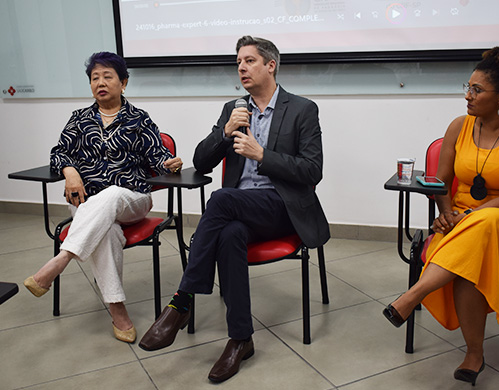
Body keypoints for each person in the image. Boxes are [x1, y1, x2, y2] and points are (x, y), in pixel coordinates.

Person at [139, 36, 330, 383]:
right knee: (229, 234)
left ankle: (182, 301)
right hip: (240, 211)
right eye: (238, 61)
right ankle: (241, 339)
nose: (241, 67)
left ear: (270, 65)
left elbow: (311, 170)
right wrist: (225, 134)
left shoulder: (302, 109)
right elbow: (201, 162)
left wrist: (262, 156)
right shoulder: (233, 109)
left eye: (249, 61)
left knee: (221, 200)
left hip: (281, 207)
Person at [382, 42, 499, 386]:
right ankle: (474, 354)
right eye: (468, 88)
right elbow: (440, 181)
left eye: (476, 90)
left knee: (485, 221)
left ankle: (414, 294)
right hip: (463, 220)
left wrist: (466, 217)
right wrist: (446, 213)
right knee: (469, 265)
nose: (467, 96)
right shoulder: (459, 126)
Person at [23, 52, 183, 344]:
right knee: (106, 232)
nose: (100, 82)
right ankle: (118, 310)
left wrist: (170, 164)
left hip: (132, 198)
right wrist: (70, 171)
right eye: (95, 77)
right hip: (88, 205)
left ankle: (61, 260)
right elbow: (59, 153)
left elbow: (159, 158)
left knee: (111, 195)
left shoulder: (139, 119)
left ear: (123, 83)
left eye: (107, 76)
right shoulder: (79, 119)